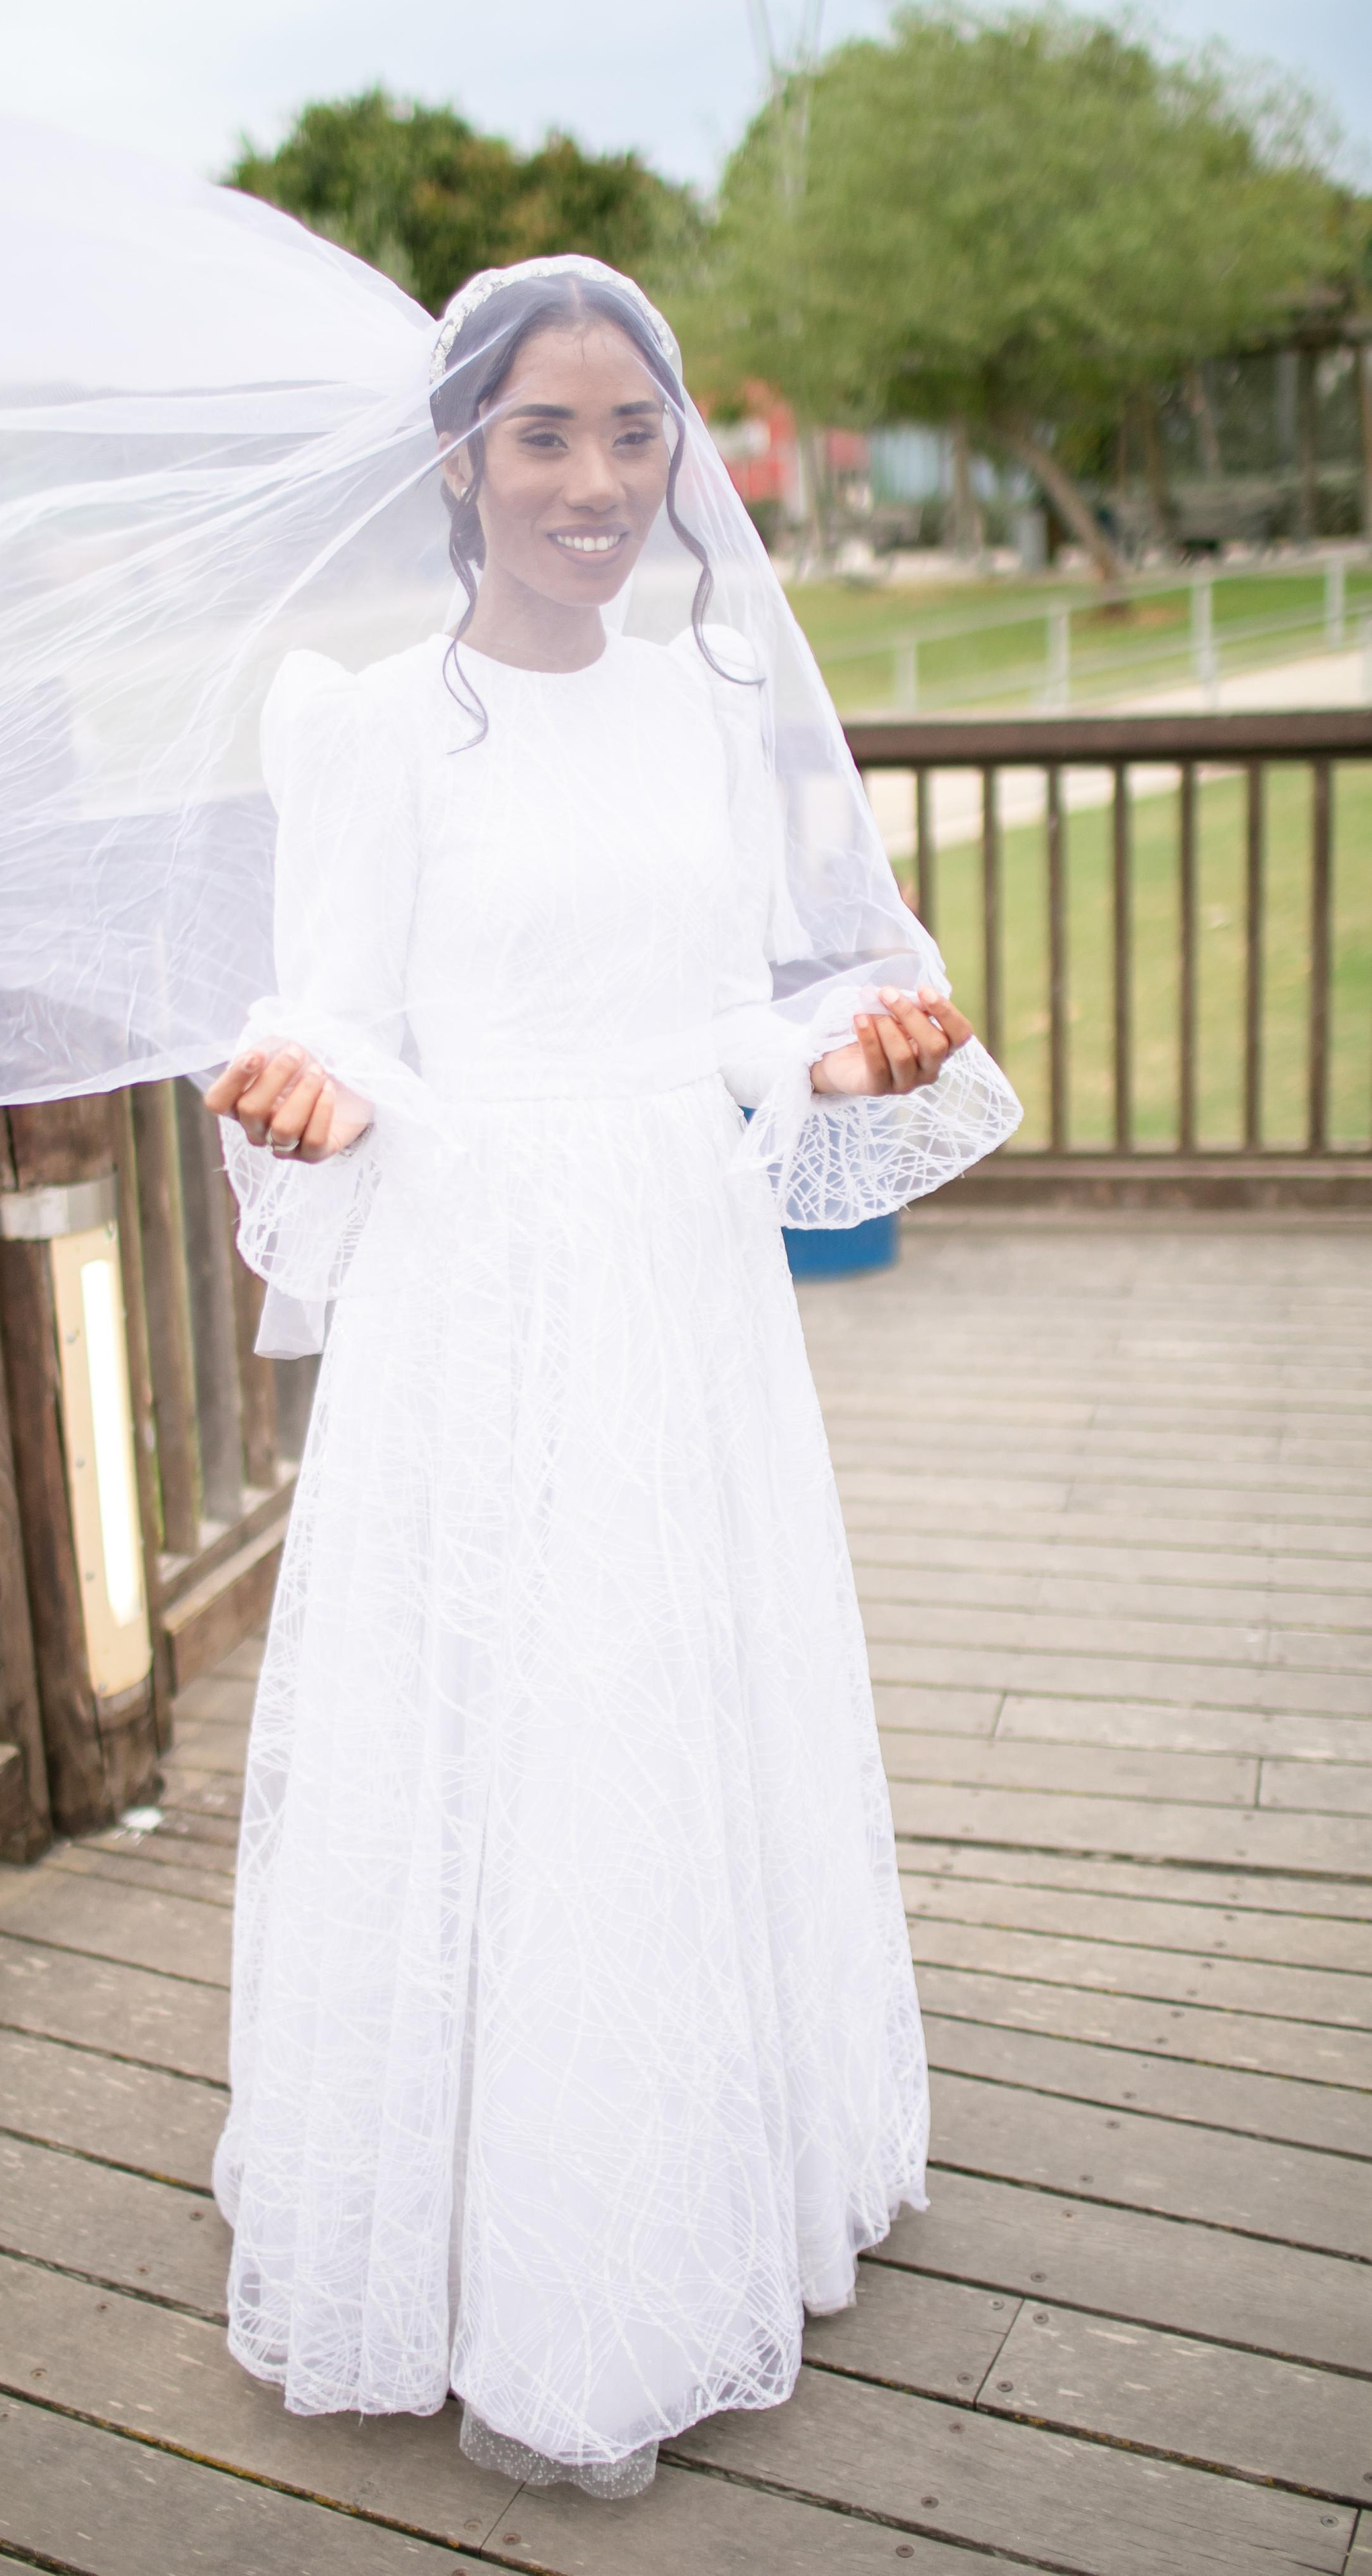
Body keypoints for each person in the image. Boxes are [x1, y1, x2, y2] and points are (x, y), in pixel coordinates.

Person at [201, 262, 1019, 2498]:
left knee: (670, 1692)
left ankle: (696, 2173)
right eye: (546, 435)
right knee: (506, 1706)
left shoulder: (712, 701)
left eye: (635, 434)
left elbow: (730, 1007)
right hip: (479, 1282)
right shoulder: (367, 724)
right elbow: (345, 1012)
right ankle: (489, 2235)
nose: (596, 479)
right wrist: (318, 1096)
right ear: (461, 458)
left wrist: (833, 1053)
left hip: (678, 1279)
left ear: (681, 462)